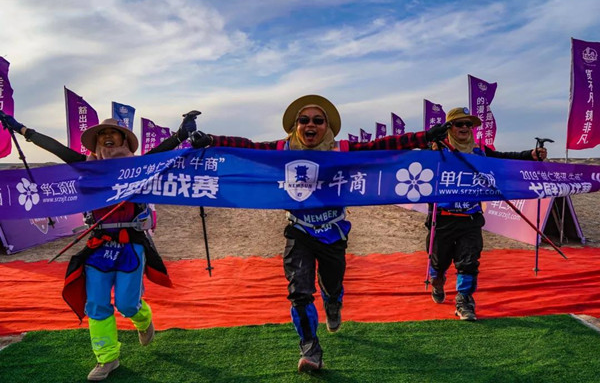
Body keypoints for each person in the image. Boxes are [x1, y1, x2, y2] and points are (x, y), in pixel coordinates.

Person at [188, 94, 449, 372]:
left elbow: (381, 147)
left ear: (327, 127)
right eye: (304, 120)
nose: (310, 125)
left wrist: (423, 137)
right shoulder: (282, 150)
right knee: (299, 292)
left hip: (333, 232)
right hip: (299, 231)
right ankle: (310, 348)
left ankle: (333, 302)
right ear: (295, 126)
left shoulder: (342, 151)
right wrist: (211, 140)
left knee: (332, 285)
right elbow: (247, 147)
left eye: (318, 120)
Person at [0, 110, 198, 381]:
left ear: (123, 139)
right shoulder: (86, 165)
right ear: (95, 141)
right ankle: (107, 359)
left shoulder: (138, 166)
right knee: (96, 305)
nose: (107, 137)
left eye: (112, 133)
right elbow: (56, 148)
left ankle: (143, 320)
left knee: (127, 304)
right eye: (102, 133)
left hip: (130, 244)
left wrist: (182, 133)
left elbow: (162, 152)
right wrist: (21, 129)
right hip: (98, 246)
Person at [426, 107, 547, 321]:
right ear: (449, 127)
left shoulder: (480, 150)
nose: (465, 127)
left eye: (468, 124)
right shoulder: (436, 149)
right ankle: (437, 280)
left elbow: (502, 158)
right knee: (439, 263)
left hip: (471, 218)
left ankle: (464, 300)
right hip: (442, 219)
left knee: (469, 262)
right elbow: (408, 158)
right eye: (459, 124)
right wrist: (430, 148)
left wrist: (530, 155)